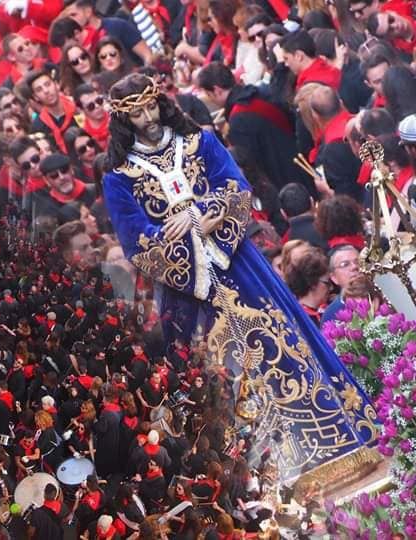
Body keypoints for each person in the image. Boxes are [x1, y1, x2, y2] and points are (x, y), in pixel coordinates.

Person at [102, 73, 377, 485]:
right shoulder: (118, 177)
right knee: (226, 380)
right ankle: (275, 480)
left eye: (151, 106)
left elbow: (236, 187)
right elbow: (136, 240)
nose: (147, 117)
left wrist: (201, 214)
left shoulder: (199, 142)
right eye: (137, 113)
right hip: (188, 292)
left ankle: (339, 440)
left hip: (239, 264)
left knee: (285, 347)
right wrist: (190, 242)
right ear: (124, 120)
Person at [197, 62, 310, 191]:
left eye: (209, 95)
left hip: (281, 179)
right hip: (297, 162)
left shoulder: (239, 120)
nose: (210, 99)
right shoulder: (260, 92)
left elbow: (251, 166)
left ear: (217, 91)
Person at [321, 245, 361, 324]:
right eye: (345, 264)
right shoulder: (331, 315)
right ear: (334, 278)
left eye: (358, 262)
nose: (354, 267)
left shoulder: (382, 297)